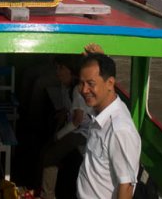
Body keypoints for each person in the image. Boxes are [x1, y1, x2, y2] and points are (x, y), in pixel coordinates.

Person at [76, 53, 141, 199]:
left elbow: (126, 187)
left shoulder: (119, 130)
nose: (84, 90)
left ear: (110, 83)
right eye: (82, 83)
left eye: (91, 84)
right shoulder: (99, 111)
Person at [40, 55, 93, 199]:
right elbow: (68, 110)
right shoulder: (66, 88)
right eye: (57, 68)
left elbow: (77, 120)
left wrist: (58, 136)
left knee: (50, 155)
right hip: (77, 129)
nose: (58, 72)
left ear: (72, 71)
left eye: (61, 68)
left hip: (83, 133)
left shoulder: (77, 90)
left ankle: (47, 195)